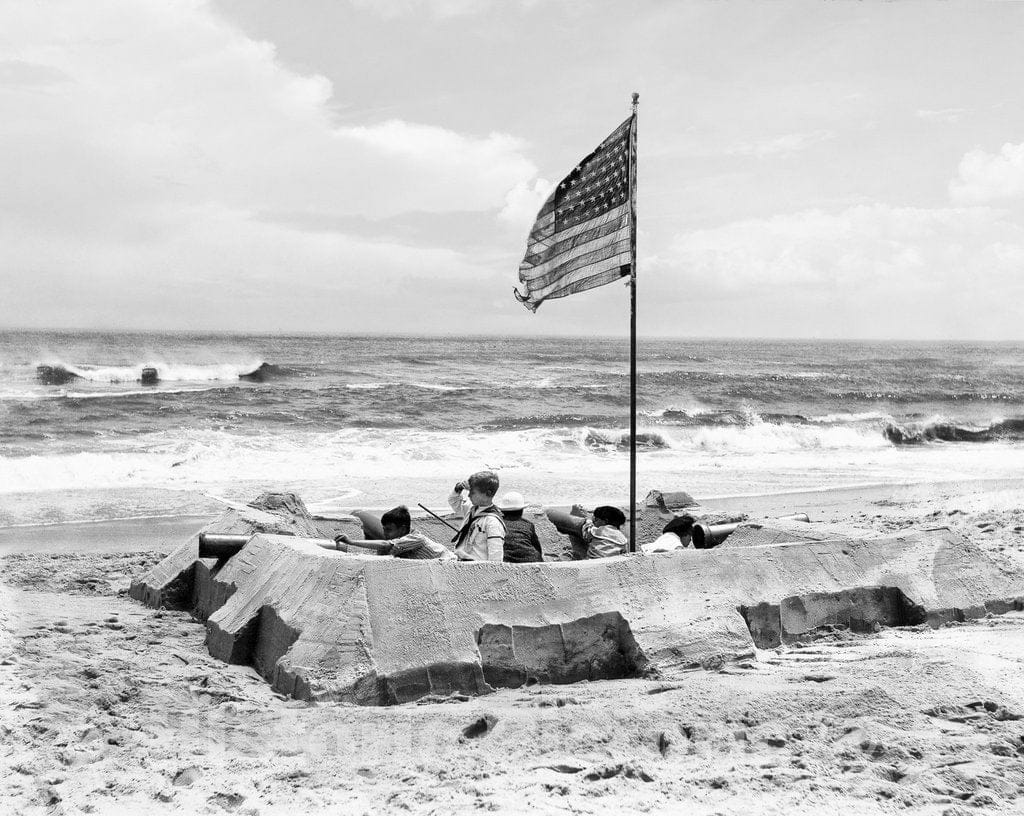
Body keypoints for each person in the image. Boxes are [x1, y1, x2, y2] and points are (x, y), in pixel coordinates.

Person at [333, 505, 454, 560]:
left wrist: (351, 542)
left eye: (389, 530)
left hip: (450, 561)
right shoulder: (399, 539)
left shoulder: (417, 538)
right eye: (384, 529)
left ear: (402, 529)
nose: (385, 533)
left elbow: (386, 545)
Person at [448, 471, 505, 562]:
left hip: (476, 567)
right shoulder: (472, 508)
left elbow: (496, 558)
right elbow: (453, 501)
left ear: (488, 493)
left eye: (473, 492)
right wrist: (459, 488)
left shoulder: (492, 522)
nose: (469, 495)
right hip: (460, 562)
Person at [547, 504, 628, 559]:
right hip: (607, 565)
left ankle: (549, 513)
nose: (594, 521)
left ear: (605, 521)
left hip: (592, 563)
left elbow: (586, 531)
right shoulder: (623, 539)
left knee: (580, 526)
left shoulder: (600, 531)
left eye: (596, 519)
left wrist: (588, 519)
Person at [496, 491, 543, 563]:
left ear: (503, 511)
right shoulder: (528, 525)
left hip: (507, 562)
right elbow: (537, 547)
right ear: (521, 511)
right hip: (532, 561)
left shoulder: (498, 524)